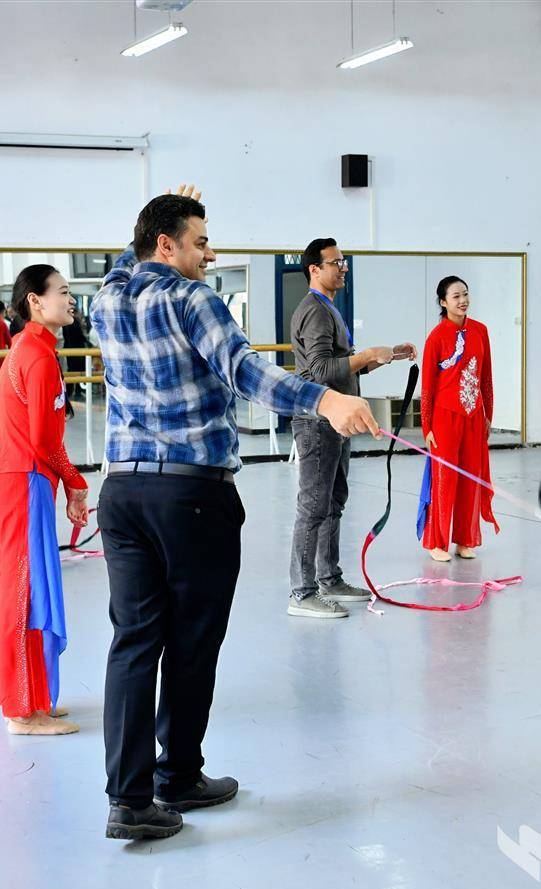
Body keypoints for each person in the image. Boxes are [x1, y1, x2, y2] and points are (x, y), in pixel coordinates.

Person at [91, 186, 378, 841]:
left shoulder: (109, 297)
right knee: (191, 641)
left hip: (123, 495)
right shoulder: (195, 300)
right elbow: (245, 373)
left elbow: (125, 259)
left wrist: (155, 215)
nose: (210, 254)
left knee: (134, 642)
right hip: (191, 495)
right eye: (199, 242)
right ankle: (176, 776)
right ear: (167, 246)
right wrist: (326, 400)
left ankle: (128, 799)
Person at [0, 264, 89, 736]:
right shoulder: (37, 356)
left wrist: (64, 483)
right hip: (22, 481)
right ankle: (21, 709)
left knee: (30, 587)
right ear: (35, 301)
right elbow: (44, 439)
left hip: (25, 479)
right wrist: (75, 481)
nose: (70, 300)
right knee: (21, 591)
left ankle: (35, 695)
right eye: (62, 292)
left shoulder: (33, 349)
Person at [287, 237, 415, 618]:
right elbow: (319, 371)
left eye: (343, 262)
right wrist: (367, 355)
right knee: (314, 505)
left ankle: (329, 579)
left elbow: (342, 366)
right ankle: (302, 592)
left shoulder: (329, 308)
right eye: (336, 263)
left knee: (333, 500)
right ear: (315, 269)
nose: (343, 268)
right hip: (318, 422)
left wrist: (386, 356)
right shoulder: (314, 311)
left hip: (337, 423)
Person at [417, 276, 498, 561]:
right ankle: (437, 543)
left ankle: (465, 539)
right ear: (443, 302)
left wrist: (488, 414)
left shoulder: (480, 331)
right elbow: (427, 387)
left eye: (465, 294)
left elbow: (485, 377)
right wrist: (427, 426)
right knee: (445, 480)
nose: (463, 300)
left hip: (474, 416)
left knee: (470, 479)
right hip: (444, 418)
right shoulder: (436, 337)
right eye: (455, 296)